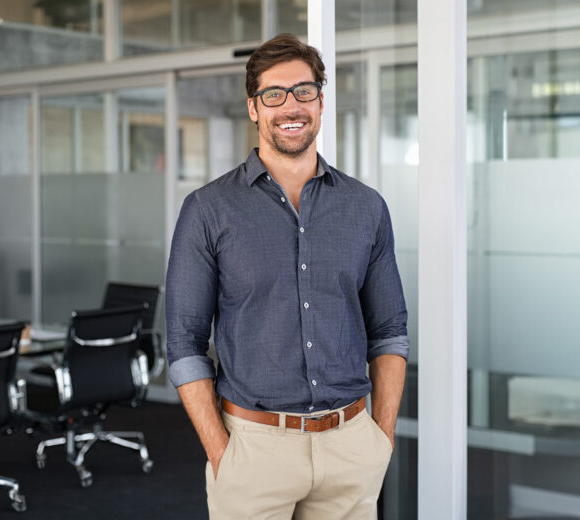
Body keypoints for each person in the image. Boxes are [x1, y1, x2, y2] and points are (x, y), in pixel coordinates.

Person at [166, 33, 409, 520]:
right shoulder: (208, 210)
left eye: (303, 91)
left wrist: (379, 438)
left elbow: (390, 332)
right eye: (273, 94)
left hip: (350, 449)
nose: (290, 106)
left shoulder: (366, 207)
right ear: (254, 107)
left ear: (321, 100)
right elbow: (183, 343)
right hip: (253, 451)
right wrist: (221, 452)